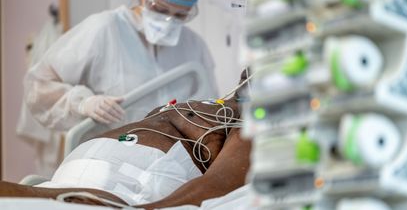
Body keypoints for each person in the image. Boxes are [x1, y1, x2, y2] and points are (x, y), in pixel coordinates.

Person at [17, 0, 219, 177]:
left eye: (180, 15)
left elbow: (211, 114)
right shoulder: (104, 29)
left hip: (169, 171)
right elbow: (38, 84)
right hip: (105, 165)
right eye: (159, 9)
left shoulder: (194, 47)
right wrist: (83, 103)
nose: (168, 22)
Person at [0, 71, 251, 210]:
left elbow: (217, 185)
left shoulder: (250, 125)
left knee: (81, 200)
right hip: (66, 175)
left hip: (128, 185)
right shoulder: (212, 103)